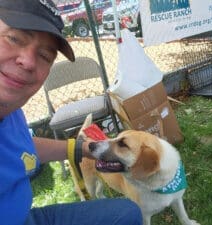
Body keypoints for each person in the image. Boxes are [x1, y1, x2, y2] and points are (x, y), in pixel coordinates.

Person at [0, 0, 143, 225]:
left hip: (26, 218)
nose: (28, 61)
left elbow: (20, 145)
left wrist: (82, 149)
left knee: (126, 213)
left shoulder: (11, 110)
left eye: (45, 56)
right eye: (14, 38)